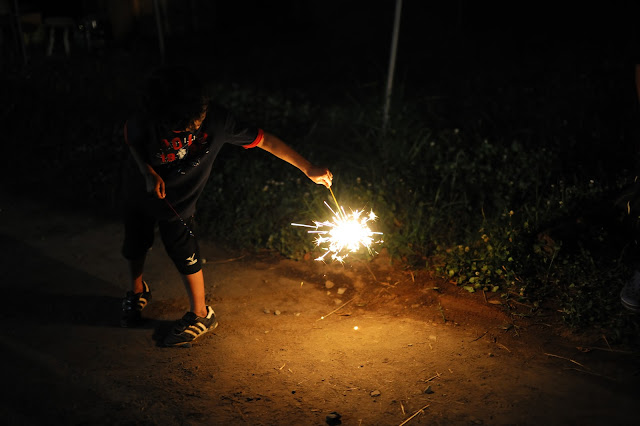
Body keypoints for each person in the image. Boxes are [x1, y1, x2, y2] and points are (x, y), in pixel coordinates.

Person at [120, 65, 333, 346]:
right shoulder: (148, 117)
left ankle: (201, 314)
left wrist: (307, 167)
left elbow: (266, 141)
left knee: (184, 252)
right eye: (182, 125)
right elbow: (131, 138)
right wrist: (146, 171)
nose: (194, 126)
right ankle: (137, 291)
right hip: (139, 191)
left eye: (197, 120)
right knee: (135, 244)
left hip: (179, 204)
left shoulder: (218, 121)